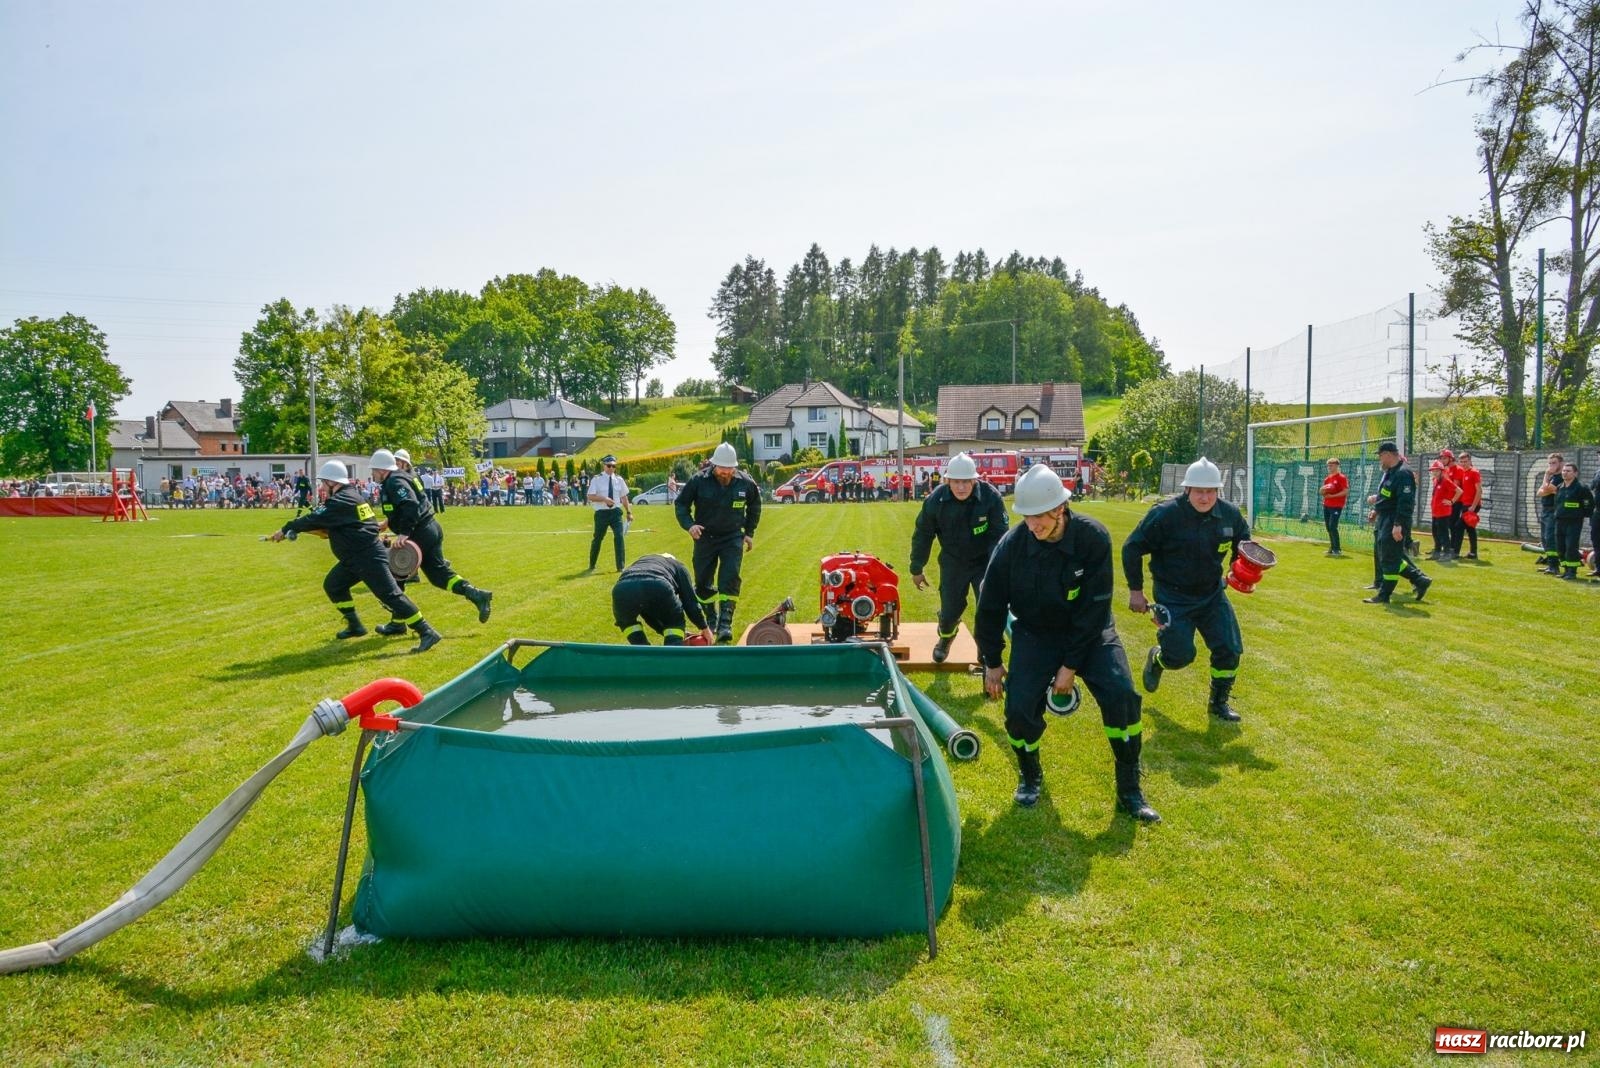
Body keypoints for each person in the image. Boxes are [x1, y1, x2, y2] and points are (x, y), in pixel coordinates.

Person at [974, 464, 1159, 822]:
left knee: (1122, 695)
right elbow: (990, 606)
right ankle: (1030, 775)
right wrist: (992, 661)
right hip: (1036, 634)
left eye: (1039, 516)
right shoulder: (1011, 548)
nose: (1032, 525)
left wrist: (1070, 667)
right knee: (1018, 709)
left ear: (1060, 509)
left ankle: (1130, 788)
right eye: (1026, 517)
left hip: (1090, 632)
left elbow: (1094, 609)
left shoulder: (1093, 538)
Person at [1121, 457, 1249, 723]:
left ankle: (1218, 704)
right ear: (1187, 489)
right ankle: (1158, 659)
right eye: (1199, 491)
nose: (1205, 497)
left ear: (1218, 491)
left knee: (1229, 649)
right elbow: (1131, 548)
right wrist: (1136, 591)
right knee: (1180, 656)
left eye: (1211, 491)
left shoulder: (1230, 515)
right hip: (1172, 596)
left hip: (1212, 594)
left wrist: (1244, 568)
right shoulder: (1164, 515)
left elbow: (1244, 546)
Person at [268, 459, 441, 653]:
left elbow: (313, 518)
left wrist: (286, 529)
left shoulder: (340, 501)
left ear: (333, 482)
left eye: (324, 483)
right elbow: (331, 523)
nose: (323, 487)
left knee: (391, 596)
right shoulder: (352, 496)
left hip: (367, 557)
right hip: (354, 558)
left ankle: (427, 631)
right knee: (334, 585)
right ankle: (354, 625)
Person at [370, 449, 492, 627]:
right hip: (429, 528)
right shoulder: (401, 477)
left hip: (419, 532)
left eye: (374, 470)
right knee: (438, 575)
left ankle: (398, 623)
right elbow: (408, 505)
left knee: (396, 574)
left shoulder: (394, 481)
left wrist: (404, 532)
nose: (372, 474)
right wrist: (388, 522)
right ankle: (476, 595)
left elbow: (410, 505)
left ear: (381, 469)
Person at [908, 452, 1009, 663]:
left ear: (975, 480)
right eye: (956, 482)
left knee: (988, 609)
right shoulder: (936, 501)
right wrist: (917, 567)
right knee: (949, 611)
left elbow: (999, 538)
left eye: (966, 482)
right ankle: (946, 637)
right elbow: (923, 534)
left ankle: (987, 655)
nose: (961, 487)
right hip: (953, 562)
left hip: (984, 562)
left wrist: (994, 573)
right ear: (947, 481)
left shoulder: (991, 498)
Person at [674, 441, 762, 643]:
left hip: (732, 537)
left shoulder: (745, 483)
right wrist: (690, 525)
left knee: (729, 578)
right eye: (723, 468)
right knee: (703, 581)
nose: (726, 473)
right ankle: (711, 619)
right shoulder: (698, 480)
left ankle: (725, 623)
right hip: (705, 537)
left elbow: (755, 505)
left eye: (730, 468)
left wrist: (749, 533)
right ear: (714, 465)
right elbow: (681, 504)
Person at [1363, 442, 1432, 605]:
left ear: (1388, 454)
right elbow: (1387, 496)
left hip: (1395, 520)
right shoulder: (1391, 472)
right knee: (1389, 556)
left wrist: (1398, 524)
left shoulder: (1403, 473)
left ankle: (1384, 595)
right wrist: (1377, 510)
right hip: (1386, 518)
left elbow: (1406, 502)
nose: (1380, 459)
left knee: (1389, 558)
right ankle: (1419, 579)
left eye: (1380, 456)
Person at [612, 553, 714, 645]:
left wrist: (680, 633)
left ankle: (643, 655)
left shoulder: (642, 561)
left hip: (621, 589)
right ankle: (671, 657)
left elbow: (649, 615)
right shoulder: (677, 565)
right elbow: (690, 602)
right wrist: (704, 628)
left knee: (628, 624)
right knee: (675, 622)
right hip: (658, 584)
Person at [585, 455, 633, 572]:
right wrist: (604, 499)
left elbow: (624, 497)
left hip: (616, 512)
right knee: (598, 538)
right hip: (602, 513)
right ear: (604, 466)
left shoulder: (619, 480)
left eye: (614, 466)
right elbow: (590, 496)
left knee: (619, 537)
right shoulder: (597, 479)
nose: (611, 468)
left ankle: (620, 566)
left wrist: (629, 512)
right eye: (609, 466)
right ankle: (592, 564)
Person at [1551, 461, 1594, 580]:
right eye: (1564, 470)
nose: (1565, 473)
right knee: (1560, 547)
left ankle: (1572, 572)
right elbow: (1557, 503)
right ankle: (1565, 570)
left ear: (1575, 473)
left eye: (1568, 471)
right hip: (1560, 521)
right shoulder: (1560, 487)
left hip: (1574, 522)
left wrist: (1581, 514)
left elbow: (1588, 504)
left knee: (1571, 546)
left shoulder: (1581, 488)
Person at [1451, 452, 1483, 559]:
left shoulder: (1474, 472)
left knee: (1458, 527)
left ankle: (1455, 552)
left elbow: (1479, 490)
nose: (1464, 464)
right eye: (1462, 462)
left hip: (1471, 505)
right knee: (1470, 529)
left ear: (1470, 461)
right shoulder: (1463, 473)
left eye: (1465, 461)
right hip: (1466, 504)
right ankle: (1473, 553)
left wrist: (1473, 506)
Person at [1534, 452, 1563, 573]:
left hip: (1553, 510)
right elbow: (1539, 492)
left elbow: (1548, 488)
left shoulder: (1562, 476)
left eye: (1554, 463)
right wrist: (1546, 486)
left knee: (1550, 538)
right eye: (1550, 463)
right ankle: (1550, 564)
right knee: (1544, 539)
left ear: (1561, 463)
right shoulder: (1552, 477)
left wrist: (1546, 475)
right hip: (1545, 509)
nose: (1551, 465)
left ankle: (1554, 567)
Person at [1427, 459, 1458, 560]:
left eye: (1436, 470)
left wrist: (1451, 501)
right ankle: (1437, 551)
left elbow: (1459, 491)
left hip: (1443, 512)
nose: (1434, 472)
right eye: (1433, 470)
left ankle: (1447, 553)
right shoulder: (1436, 481)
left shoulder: (1446, 481)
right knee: (1435, 532)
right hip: (1436, 512)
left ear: (1441, 471)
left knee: (1443, 533)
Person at [1319, 457, 1348, 556]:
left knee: (1332, 526)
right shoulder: (1327, 479)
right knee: (1328, 526)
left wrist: (1333, 496)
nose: (1329, 467)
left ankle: (1337, 549)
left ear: (1337, 466)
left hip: (1336, 506)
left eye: (1331, 465)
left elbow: (1345, 491)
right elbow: (1324, 492)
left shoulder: (1341, 478)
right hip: (1327, 505)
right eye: (1328, 465)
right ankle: (1332, 547)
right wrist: (1322, 492)